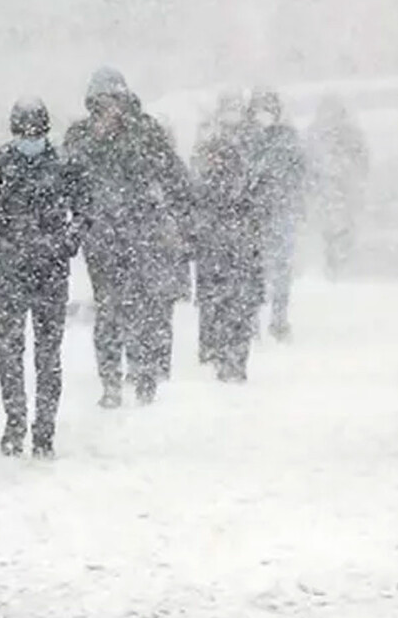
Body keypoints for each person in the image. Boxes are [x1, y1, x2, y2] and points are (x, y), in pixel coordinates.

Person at [65, 68, 193, 408]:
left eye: (114, 100)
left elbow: (174, 176)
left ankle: (143, 373)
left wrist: (181, 221)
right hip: (101, 237)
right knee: (108, 309)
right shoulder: (80, 134)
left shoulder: (145, 131)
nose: (109, 108)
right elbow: (69, 177)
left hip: (142, 234)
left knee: (142, 307)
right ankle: (110, 380)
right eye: (101, 101)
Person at [0, 98, 76, 458]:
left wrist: (64, 243)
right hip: (10, 274)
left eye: (36, 132)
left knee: (48, 353)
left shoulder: (64, 165)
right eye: (25, 132)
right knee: (11, 351)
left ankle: (44, 429)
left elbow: (84, 211)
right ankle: (15, 422)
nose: (30, 138)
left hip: (51, 272)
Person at [192, 92, 270, 383]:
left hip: (234, 253)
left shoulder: (243, 181)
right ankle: (226, 357)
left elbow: (257, 209)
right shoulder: (209, 182)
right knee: (224, 308)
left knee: (234, 308)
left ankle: (233, 360)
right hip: (221, 253)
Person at [245, 87, 308, 340]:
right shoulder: (248, 138)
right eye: (260, 110)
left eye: (268, 110)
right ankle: (252, 322)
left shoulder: (287, 139)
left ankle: (279, 320)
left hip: (282, 210)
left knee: (281, 269)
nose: (264, 115)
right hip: (255, 213)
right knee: (253, 269)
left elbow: (300, 171)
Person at [307, 96, 368, 279]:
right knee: (329, 230)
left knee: (342, 230)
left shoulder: (351, 136)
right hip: (328, 193)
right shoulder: (314, 135)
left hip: (342, 192)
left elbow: (362, 163)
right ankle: (331, 266)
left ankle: (340, 265)